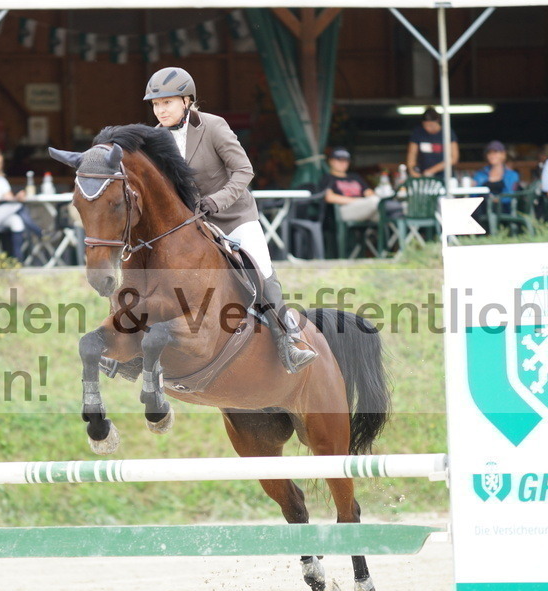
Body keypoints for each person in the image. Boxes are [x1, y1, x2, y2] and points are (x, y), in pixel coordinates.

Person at [144, 66, 315, 373]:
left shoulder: (213, 126)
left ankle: (288, 340)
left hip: (234, 215)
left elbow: (243, 171)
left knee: (260, 269)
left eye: (166, 102)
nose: (160, 109)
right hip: (192, 226)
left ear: (186, 100)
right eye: (156, 104)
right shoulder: (155, 139)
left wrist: (216, 201)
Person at [322, 147, 382, 223]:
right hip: (344, 209)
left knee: (385, 213)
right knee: (375, 202)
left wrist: (368, 200)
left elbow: (369, 192)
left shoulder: (355, 177)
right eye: (339, 160)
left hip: (363, 206)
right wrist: (356, 201)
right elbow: (329, 197)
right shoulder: (328, 177)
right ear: (331, 161)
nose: (343, 163)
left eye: (346, 161)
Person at [406, 107, 459, 178]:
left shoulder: (447, 132)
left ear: (437, 121)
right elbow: (412, 154)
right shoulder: (418, 133)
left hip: (444, 176)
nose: (428, 128)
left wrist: (433, 170)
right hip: (423, 176)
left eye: (431, 125)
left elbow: (454, 157)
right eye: (425, 125)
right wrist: (412, 170)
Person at [472, 141, 520, 213]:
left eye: (496, 152)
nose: (492, 155)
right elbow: (473, 195)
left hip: (503, 207)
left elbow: (511, 195)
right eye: (489, 153)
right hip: (482, 207)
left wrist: (496, 199)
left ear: (503, 155)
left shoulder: (512, 175)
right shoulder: (480, 174)